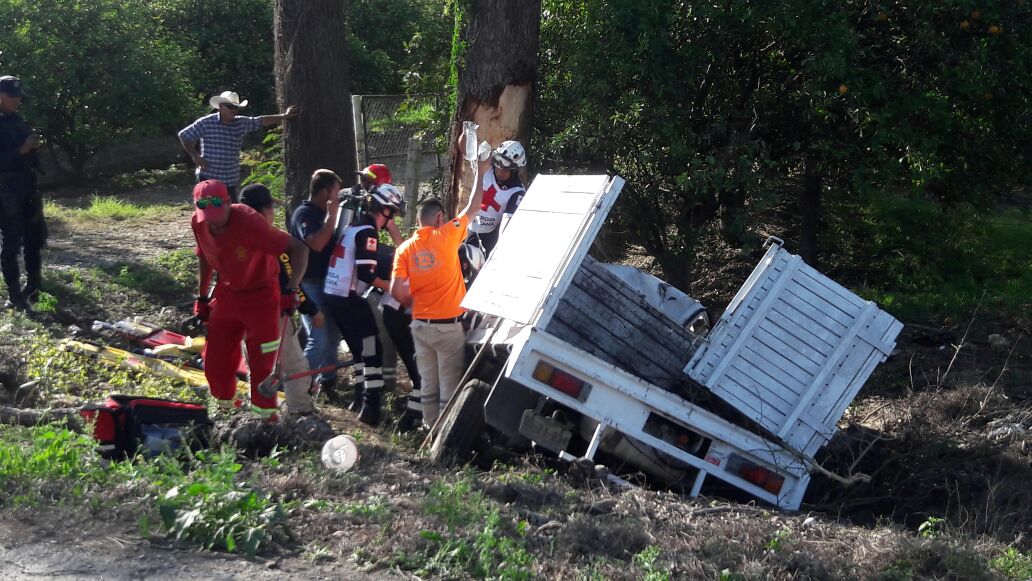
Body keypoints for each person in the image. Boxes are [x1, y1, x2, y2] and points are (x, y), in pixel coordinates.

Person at [391, 135, 489, 429]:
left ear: (418, 221)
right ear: (438, 218)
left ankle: (428, 426)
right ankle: (443, 436)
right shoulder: (446, 236)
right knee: (449, 382)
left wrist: (417, 298)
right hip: (448, 327)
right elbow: (473, 208)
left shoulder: (404, 249)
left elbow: (397, 291)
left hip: (420, 325)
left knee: (428, 381)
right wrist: (482, 171)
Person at [191, 179, 309, 420]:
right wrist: (202, 296)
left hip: (261, 298)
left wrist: (291, 289)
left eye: (217, 215)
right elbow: (204, 256)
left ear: (228, 203)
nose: (214, 223)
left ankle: (265, 422)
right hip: (228, 294)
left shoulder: (249, 222)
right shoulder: (199, 223)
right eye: (208, 216)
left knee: (261, 365)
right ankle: (225, 413)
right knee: (216, 361)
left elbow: (299, 249)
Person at [322, 185, 405, 426]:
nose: (392, 219)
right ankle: (371, 408)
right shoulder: (368, 232)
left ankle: (359, 400)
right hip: (347, 298)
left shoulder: (354, 225)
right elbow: (367, 274)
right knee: (372, 348)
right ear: (386, 210)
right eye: (393, 213)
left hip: (334, 295)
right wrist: (392, 288)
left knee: (360, 350)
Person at [240, 183, 318, 416]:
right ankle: (300, 411)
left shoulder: (233, 237)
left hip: (244, 315)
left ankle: (261, 414)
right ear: (265, 211)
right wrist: (308, 306)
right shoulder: (273, 240)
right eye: (271, 209)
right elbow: (289, 274)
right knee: (294, 365)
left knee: (258, 365)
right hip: (273, 316)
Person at [178, 91, 298, 202]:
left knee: (231, 213)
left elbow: (261, 120)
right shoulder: (206, 122)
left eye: (236, 108)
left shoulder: (241, 123)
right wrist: (195, 156)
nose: (234, 110)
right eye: (230, 107)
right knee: (210, 211)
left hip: (229, 180)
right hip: (209, 177)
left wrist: (284, 116)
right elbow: (184, 135)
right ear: (221, 106)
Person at [290, 169, 344, 399]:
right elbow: (317, 243)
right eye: (336, 191)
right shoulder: (304, 214)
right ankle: (300, 389)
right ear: (324, 192)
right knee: (319, 338)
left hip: (328, 282)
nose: (338, 197)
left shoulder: (324, 213)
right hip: (309, 284)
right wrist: (332, 216)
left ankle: (327, 382)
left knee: (332, 336)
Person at [0, 76, 45, 311]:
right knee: (11, 244)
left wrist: (33, 147)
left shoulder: (17, 119)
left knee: (34, 238)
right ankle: (15, 295)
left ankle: (34, 286)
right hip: (6, 190)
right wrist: (22, 149)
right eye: (13, 97)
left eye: (19, 97)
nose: (17, 100)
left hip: (27, 186)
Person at [374, 243, 423, 432]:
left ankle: (411, 415)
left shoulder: (415, 252)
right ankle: (410, 420)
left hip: (391, 310)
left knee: (416, 369)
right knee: (419, 371)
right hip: (399, 313)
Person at [464, 140, 527, 256]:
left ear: (515, 170)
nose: (499, 172)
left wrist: (499, 249)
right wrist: (466, 132)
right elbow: (465, 148)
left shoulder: (517, 191)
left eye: (505, 169)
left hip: (487, 237)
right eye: (498, 167)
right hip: (465, 227)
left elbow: (507, 223)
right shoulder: (487, 167)